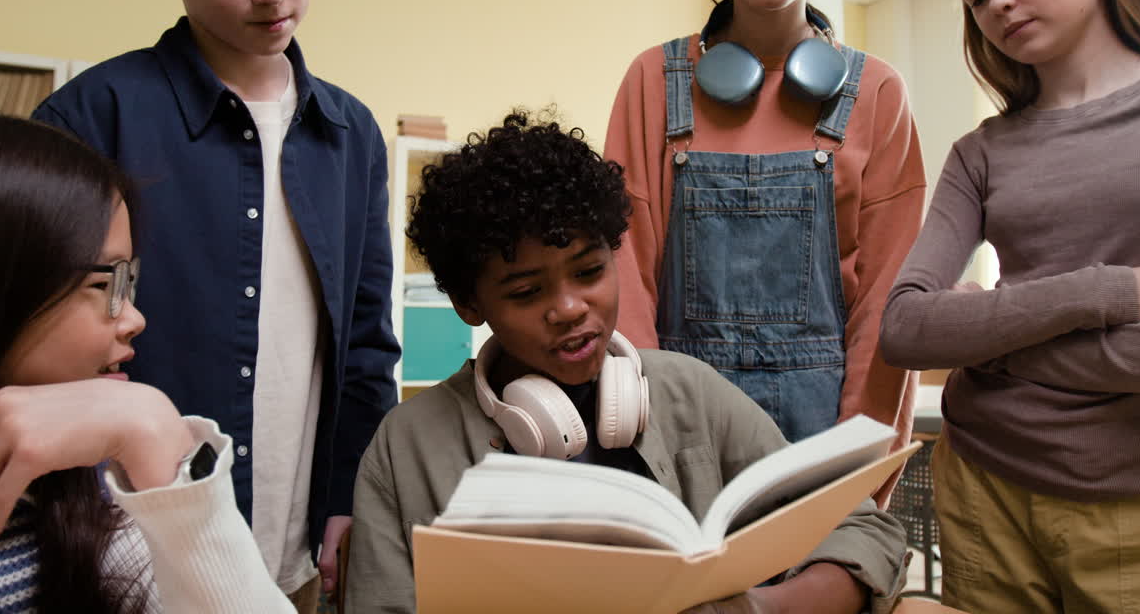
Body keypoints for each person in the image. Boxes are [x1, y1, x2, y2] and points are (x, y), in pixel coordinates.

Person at [345, 111, 908, 614]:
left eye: (589, 273)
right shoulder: (406, 448)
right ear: (470, 304)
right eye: (525, 292)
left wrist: (765, 608)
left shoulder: (689, 391)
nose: (569, 309)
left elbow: (862, 527)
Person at [31, 0, 400, 605]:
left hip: (291, 558)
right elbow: (37, 351)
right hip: (126, 557)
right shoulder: (89, 116)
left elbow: (365, 345)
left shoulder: (352, 135)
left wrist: (352, 493)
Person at [879, 0, 1140, 611]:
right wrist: (1107, 293)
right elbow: (905, 329)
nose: (998, 3)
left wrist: (989, 342)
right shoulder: (979, 153)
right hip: (982, 489)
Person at [603, 0, 925, 504]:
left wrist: (860, 480)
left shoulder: (878, 92)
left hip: (823, 439)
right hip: (678, 428)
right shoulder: (652, 80)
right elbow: (625, 279)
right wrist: (647, 442)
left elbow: (888, 306)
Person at [0, 105, 295, 613]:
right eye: (105, 283)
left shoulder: (93, 494)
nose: (133, 319)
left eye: (129, 280)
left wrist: (158, 441)